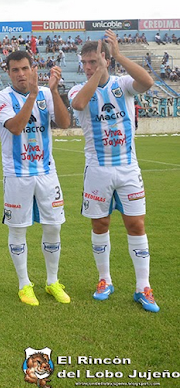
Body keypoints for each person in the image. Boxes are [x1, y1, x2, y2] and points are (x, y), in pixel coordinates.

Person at [68, 29, 159, 313]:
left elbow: (147, 82)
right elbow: (79, 104)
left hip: (128, 169)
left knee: (136, 225)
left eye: (92, 62)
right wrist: (98, 73)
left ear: (105, 59)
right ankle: (104, 280)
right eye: (84, 63)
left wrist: (118, 56)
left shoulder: (123, 84)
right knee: (100, 225)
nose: (87, 67)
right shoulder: (78, 88)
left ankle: (142, 286)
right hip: (98, 171)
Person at [0, 52, 71, 306]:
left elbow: (65, 123)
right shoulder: (1, 98)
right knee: (18, 230)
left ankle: (52, 282)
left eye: (25, 68)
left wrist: (54, 91)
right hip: (17, 175)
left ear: (33, 69)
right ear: (8, 73)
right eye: (15, 70)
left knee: (53, 227)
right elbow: (15, 127)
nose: (21, 74)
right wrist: (34, 95)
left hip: (47, 173)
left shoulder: (47, 94)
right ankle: (24, 285)